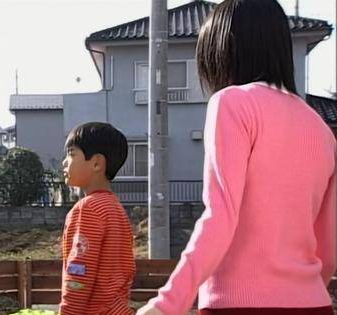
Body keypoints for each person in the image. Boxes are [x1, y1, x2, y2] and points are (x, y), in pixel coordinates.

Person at [136, 1, 336, 314]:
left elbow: (221, 217)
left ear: (221, 51)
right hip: (314, 304)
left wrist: (167, 303)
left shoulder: (233, 103)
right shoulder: (321, 129)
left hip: (239, 304)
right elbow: (328, 241)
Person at [59, 122, 136, 315]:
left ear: (96, 163)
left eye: (71, 154)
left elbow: (79, 271)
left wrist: (68, 312)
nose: (64, 162)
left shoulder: (88, 208)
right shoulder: (115, 209)